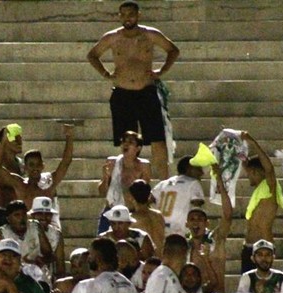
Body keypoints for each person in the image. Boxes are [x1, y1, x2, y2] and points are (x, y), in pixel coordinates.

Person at [87, 1, 179, 180]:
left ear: (138, 15)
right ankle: (128, 183)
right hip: (123, 92)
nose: (127, 18)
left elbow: (172, 50)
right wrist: (106, 73)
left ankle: (164, 183)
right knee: (127, 142)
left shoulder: (150, 34)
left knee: (157, 141)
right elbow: (92, 55)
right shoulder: (112, 37)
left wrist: (161, 71)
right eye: (123, 14)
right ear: (119, 16)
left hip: (146, 91)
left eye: (131, 14)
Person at [239, 132, 283, 273]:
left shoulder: (270, 186)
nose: (248, 177)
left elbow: (269, 168)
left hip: (263, 249)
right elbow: (249, 167)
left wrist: (252, 141)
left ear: (256, 171)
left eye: (249, 174)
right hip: (249, 248)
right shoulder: (260, 190)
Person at [98, 131, 151, 232]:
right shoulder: (112, 163)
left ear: (138, 148)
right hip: (111, 212)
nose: (125, 144)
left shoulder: (144, 166)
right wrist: (106, 177)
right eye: (123, 141)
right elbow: (102, 192)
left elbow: (144, 196)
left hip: (131, 214)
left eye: (130, 142)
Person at [0, 199, 53, 276]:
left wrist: (41, 260)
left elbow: (50, 255)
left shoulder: (35, 227)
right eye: (17, 215)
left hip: (37, 274)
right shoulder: (2, 233)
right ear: (8, 219)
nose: (22, 218)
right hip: (14, 275)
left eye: (23, 214)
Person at [152, 156, 205, 237]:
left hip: (159, 229)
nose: (202, 173)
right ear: (189, 169)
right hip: (179, 231)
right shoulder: (193, 183)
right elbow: (197, 209)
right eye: (198, 169)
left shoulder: (163, 183)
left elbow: (147, 200)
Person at [29, 196, 66, 281]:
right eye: (40, 214)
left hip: (47, 279)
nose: (44, 217)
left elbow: (60, 264)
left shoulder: (56, 234)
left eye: (47, 214)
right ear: (33, 215)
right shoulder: (25, 231)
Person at [128, 180, 165, 256]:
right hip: (161, 259)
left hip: (147, 261)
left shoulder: (132, 219)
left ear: (131, 197)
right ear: (149, 195)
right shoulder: (158, 215)